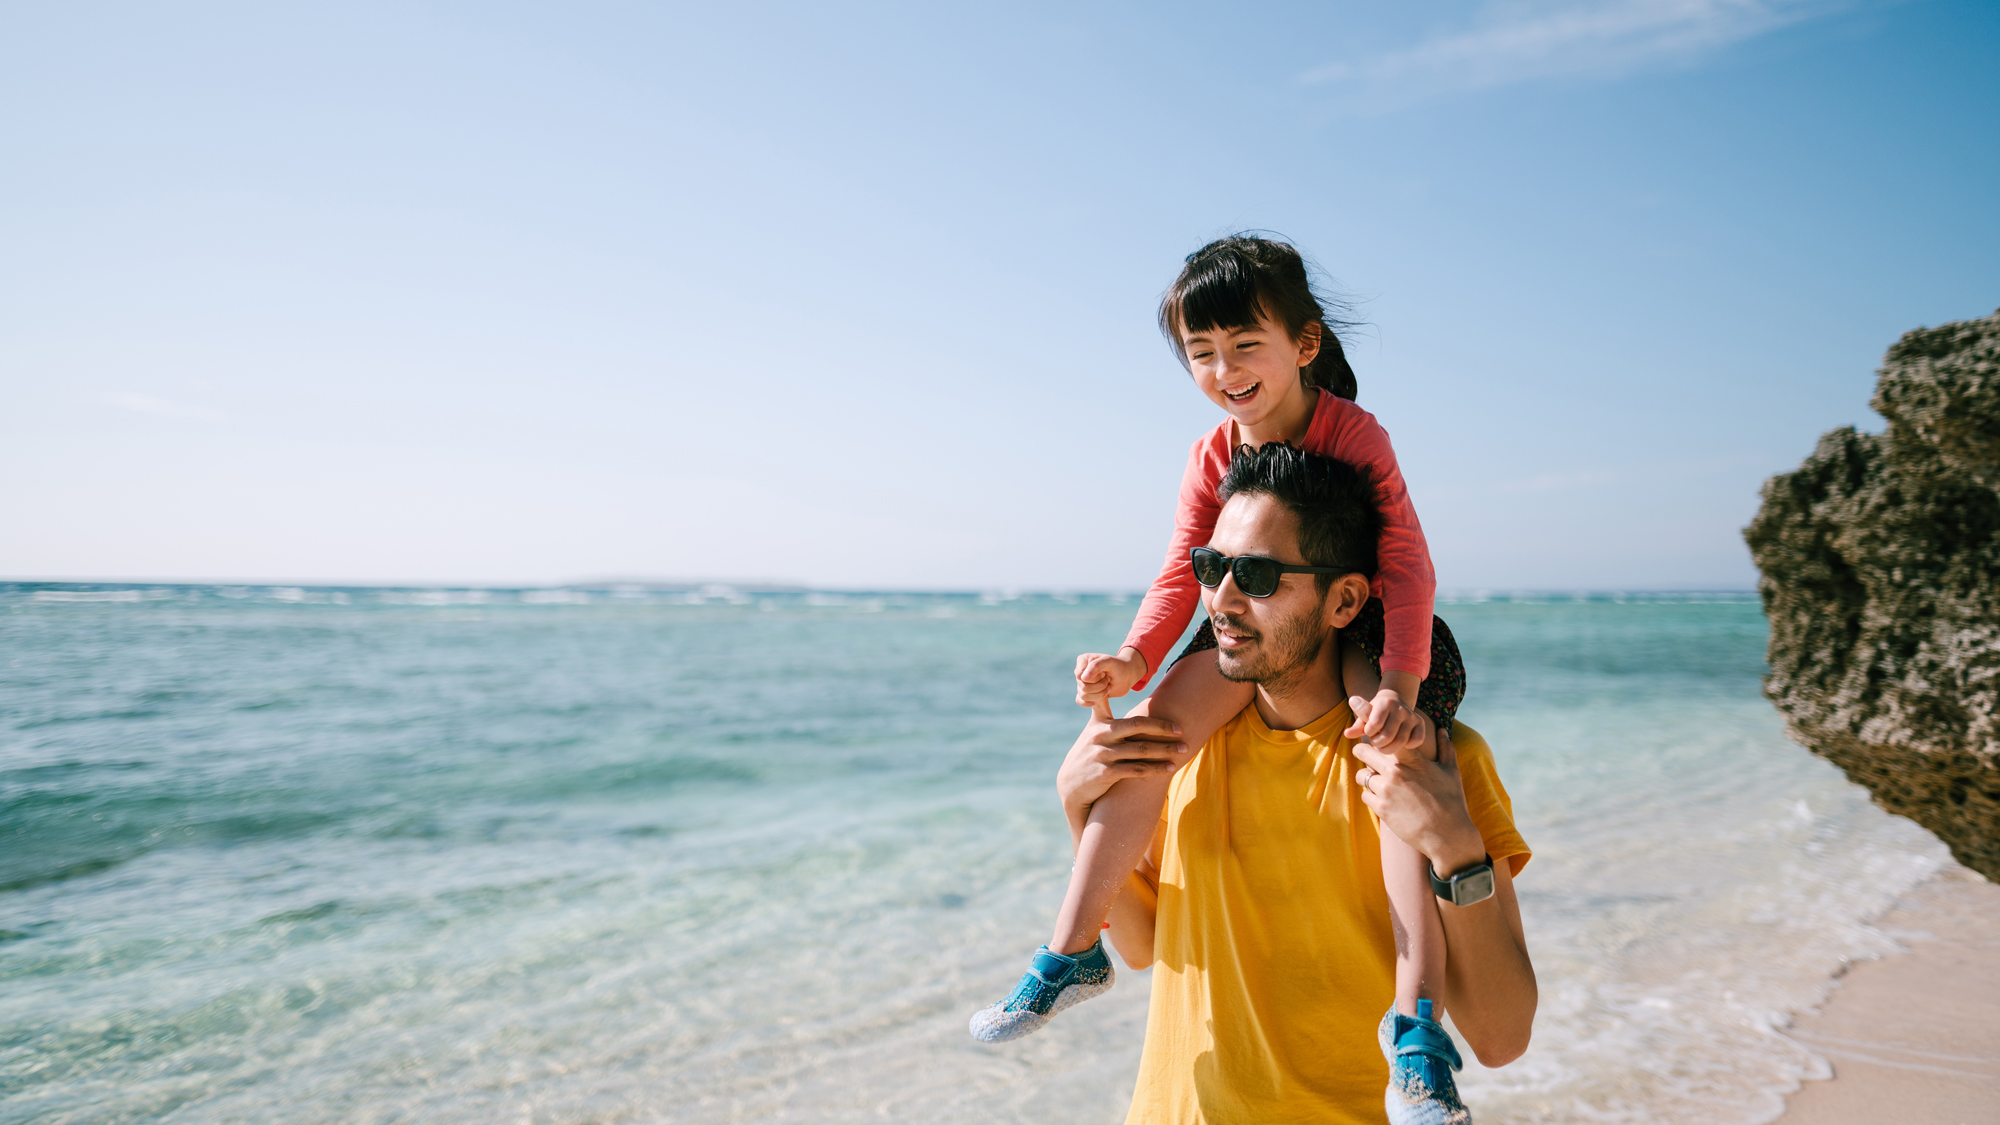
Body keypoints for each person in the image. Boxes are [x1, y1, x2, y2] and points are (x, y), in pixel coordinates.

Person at [972, 236, 1470, 1121]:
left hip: (1373, 621)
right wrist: (1135, 656)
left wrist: (1396, 681)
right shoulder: (1212, 455)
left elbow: (1406, 560)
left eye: (1245, 345)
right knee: (1146, 739)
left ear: (1305, 344)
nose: (1224, 369)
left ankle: (1417, 1024)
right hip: (1254, 620)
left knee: (1390, 762)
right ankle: (1073, 948)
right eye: (1201, 353)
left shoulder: (1355, 436)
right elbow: (1182, 572)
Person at [1074, 444, 1534, 1122]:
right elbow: (1142, 947)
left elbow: (1501, 1037)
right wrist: (1076, 806)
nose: (1221, 601)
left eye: (1257, 576)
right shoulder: (1180, 749)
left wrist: (1457, 849)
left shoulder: (1438, 762)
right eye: (1212, 567)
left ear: (1345, 598)